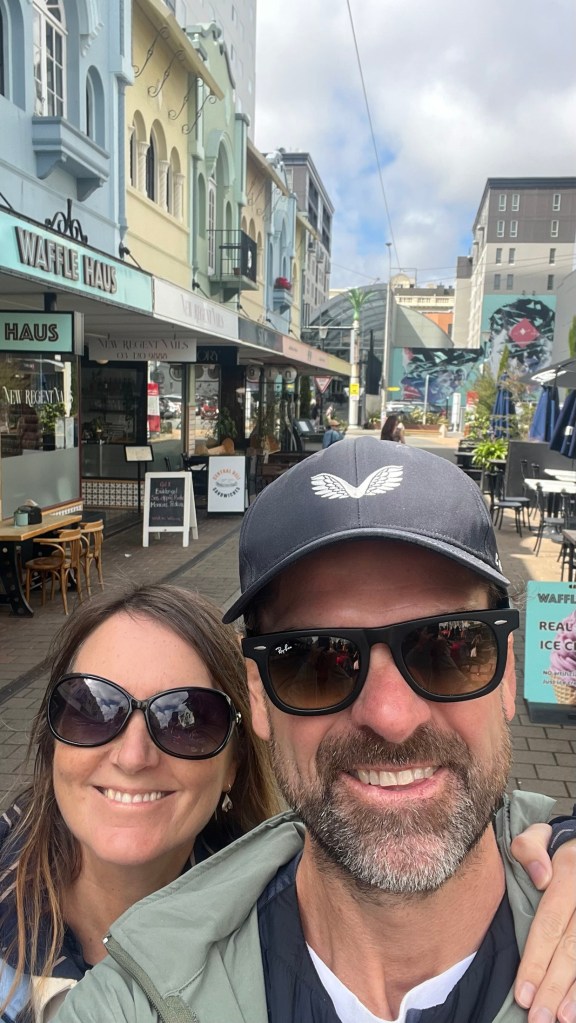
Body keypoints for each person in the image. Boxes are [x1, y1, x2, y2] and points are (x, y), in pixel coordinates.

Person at [54, 440, 576, 1023]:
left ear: (507, 671)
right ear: (257, 694)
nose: (391, 718)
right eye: (316, 661)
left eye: (447, 648)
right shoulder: (132, 1000)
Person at [0, 584, 279, 1022]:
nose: (132, 758)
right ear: (53, 742)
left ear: (233, 763)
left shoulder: (281, 944)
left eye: (186, 721)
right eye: (92, 710)